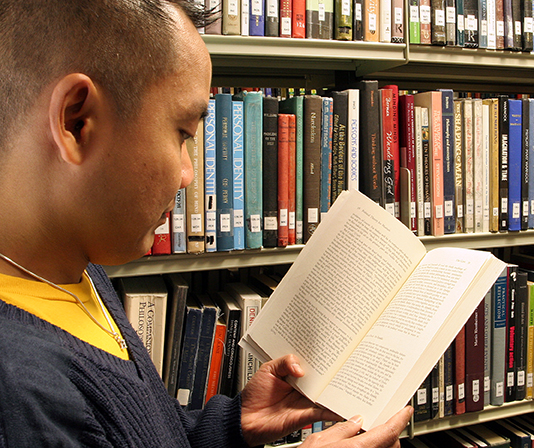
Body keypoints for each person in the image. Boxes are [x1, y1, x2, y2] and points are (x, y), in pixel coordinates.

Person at [0, 1, 413, 447]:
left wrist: (229, 426)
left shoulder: (73, 267)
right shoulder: (19, 393)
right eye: (182, 133)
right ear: (76, 121)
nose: (188, 174)